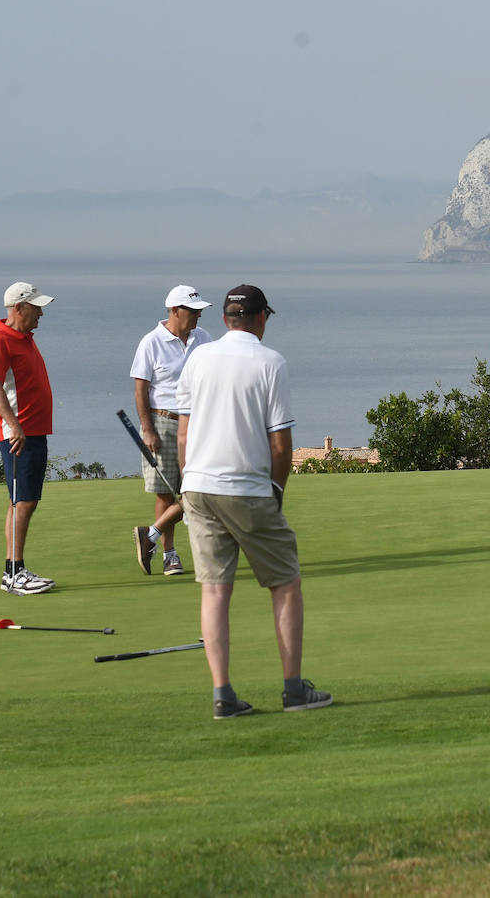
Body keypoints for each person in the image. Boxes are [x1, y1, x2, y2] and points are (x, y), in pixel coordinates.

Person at [176, 284, 332, 719]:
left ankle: (222, 695)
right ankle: (293, 689)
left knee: (214, 591)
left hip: (199, 488)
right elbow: (281, 445)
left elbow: (184, 435)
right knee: (284, 583)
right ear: (261, 318)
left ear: (226, 319)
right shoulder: (271, 362)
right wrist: (277, 491)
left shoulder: (198, 359)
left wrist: (189, 485)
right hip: (246, 487)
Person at [129, 285, 213, 576]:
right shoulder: (151, 342)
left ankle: (149, 535)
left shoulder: (203, 339)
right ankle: (169, 555)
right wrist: (147, 429)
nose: (198, 316)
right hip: (163, 422)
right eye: (193, 311)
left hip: (198, 423)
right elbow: (141, 389)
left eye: (200, 311)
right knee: (166, 493)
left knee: (198, 489)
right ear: (174, 311)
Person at [0, 282, 57, 594]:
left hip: (34, 431)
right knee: (22, 501)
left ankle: (15, 571)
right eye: (35, 307)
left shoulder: (25, 338)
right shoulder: (0, 340)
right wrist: (13, 425)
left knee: (26, 501)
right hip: (18, 435)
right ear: (18, 309)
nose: (41, 313)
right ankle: (13, 574)